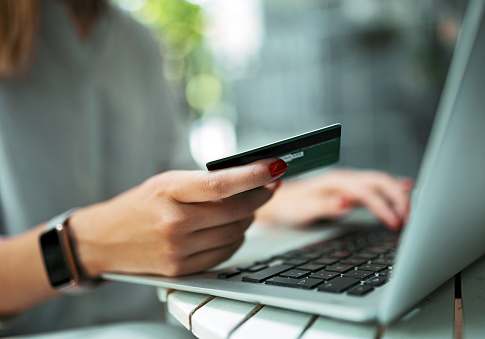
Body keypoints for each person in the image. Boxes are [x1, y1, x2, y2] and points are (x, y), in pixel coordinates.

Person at [0, 0, 411, 336]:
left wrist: (281, 200)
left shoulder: (136, 41)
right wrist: (83, 247)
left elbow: (174, 195)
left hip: (166, 322)